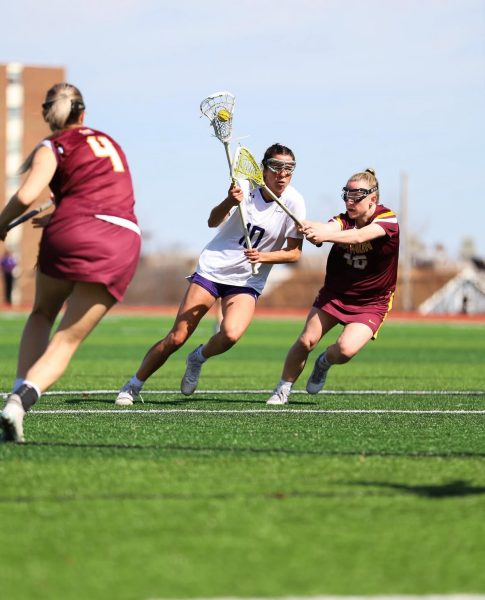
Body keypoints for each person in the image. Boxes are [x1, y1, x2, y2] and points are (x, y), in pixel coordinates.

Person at [0, 83, 141, 442]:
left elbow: (28, 194)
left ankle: (15, 392)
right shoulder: (111, 143)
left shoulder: (54, 145)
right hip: (120, 238)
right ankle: (19, 403)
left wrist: (1, 225)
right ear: (83, 113)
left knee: (42, 314)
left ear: (49, 115)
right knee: (66, 339)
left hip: (71, 230)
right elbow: (110, 196)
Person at [115, 143, 305, 405]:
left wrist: (265, 256)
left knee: (230, 334)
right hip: (213, 269)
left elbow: (294, 253)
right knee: (177, 336)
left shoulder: (294, 202)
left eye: (289, 169)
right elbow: (212, 221)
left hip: (247, 280)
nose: (282, 174)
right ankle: (133, 385)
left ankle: (198, 358)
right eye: (276, 167)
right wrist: (229, 200)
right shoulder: (245, 188)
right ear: (263, 169)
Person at [266, 168, 399, 405]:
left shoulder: (387, 219)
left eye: (356, 196)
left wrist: (324, 236)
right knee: (306, 340)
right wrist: (312, 228)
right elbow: (329, 227)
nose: (350, 200)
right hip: (335, 295)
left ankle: (324, 362)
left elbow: (359, 237)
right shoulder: (343, 220)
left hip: (372, 302)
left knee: (345, 350)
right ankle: (282, 389)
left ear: (373, 199)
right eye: (347, 194)